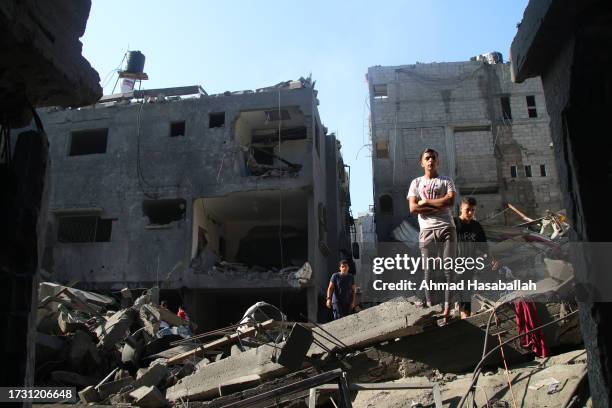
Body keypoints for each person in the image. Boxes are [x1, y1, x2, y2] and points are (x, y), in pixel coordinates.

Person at [407, 148, 457, 319]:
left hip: (447, 228)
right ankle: (431, 307)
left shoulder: (446, 180)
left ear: (438, 161)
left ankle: (448, 309)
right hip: (426, 231)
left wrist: (426, 201)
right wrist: (440, 204)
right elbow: (413, 208)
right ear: (422, 162)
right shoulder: (416, 183)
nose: (430, 161)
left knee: (448, 270)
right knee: (429, 271)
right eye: (427, 158)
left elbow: (450, 201)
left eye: (433, 158)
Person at [454, 197, 498, 318]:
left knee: (466, 291)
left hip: (470, 263)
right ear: (461, 209)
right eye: (467, 210)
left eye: (473, 210)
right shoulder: (454, 224)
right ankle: (461, 314)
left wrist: (492, 259)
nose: (470, 213)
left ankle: (465, 315)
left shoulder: (476, 226)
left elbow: (484, 246)